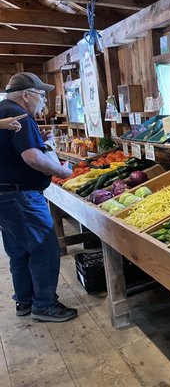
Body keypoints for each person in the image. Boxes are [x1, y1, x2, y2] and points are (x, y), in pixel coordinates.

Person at [0, 72, 78, 322]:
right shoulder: (19, 115)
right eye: (41, 96)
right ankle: (45, 305)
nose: (44, 102)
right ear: (26, 95)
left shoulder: (2, 111)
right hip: (20, 196)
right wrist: (61, 171)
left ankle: (25, 301)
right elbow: (31, 157)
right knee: (44, 248)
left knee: (19, 251)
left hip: (5, 195)